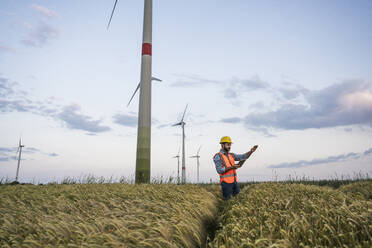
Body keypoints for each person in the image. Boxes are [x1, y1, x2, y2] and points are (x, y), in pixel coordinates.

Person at [213, 136, 258, 200]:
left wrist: (251, 151)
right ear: (222, 145)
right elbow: (219, 170)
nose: (229, 146)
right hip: (226, 183)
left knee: (237, 200)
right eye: (228, 145)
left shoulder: (231, 155)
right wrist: (232, 167)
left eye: (230, 145)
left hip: (234, 182)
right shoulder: (218, 156)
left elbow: (243, 156)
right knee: (227, 202)